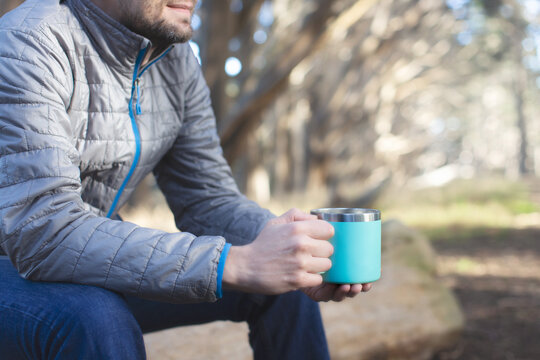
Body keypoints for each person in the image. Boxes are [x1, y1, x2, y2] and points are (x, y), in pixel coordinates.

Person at [0, 0, 372, 358]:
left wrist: (295, 250)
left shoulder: (173, 59)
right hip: (16, 261)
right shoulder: (28, 42)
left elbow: (207, 201)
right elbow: (43, 231)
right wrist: (233, 263)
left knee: (283, 283)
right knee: (95, 317)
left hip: (81, 260)